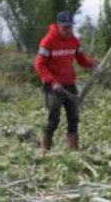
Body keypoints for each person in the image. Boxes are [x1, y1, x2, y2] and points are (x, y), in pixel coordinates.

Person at [34, 10, 96, 152]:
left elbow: (81, 60)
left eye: (70, 27)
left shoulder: (74, 41)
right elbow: (39, 65)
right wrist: (52, 81)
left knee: (74, 118)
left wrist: (92, 63)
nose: (68, 31)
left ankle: (72, 150)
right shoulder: (47, 41)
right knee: (54, 119)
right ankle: (44, 148)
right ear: (58, 25)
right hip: (54, 86)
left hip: (70, 85)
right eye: (65, 28)